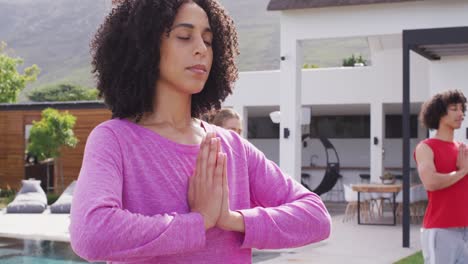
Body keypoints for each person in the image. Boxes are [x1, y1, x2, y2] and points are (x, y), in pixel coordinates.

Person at [69, 1, 331, 263]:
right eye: (184, 36)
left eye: (208, 40)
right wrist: (199, 222)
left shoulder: (232, 146)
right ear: (145, 45)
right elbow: (91, 233)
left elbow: (316, 217)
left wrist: (231, 219)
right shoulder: (115, 139)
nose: (201, 50)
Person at [414, 89, 468, 263]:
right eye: (454, 108)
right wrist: (462, 171)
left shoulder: (463, 149)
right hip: (441, 230)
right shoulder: (426, 147)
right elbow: (430, 182)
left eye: (462, 108)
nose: (460, 113)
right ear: (438, 114)